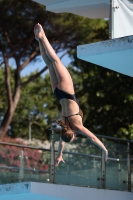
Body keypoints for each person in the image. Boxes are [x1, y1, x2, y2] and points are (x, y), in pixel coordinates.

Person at [34, 23, 108, 166]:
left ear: (73, 135)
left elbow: (92, 138)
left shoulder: (77, 127)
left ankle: (43, 36)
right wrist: (59, 154)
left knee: (55, 60)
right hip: (58, 94)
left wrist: (104, 150)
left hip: (67, 92)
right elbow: (62, 142)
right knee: (50, 64)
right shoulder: (64, 126)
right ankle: (39, 41)